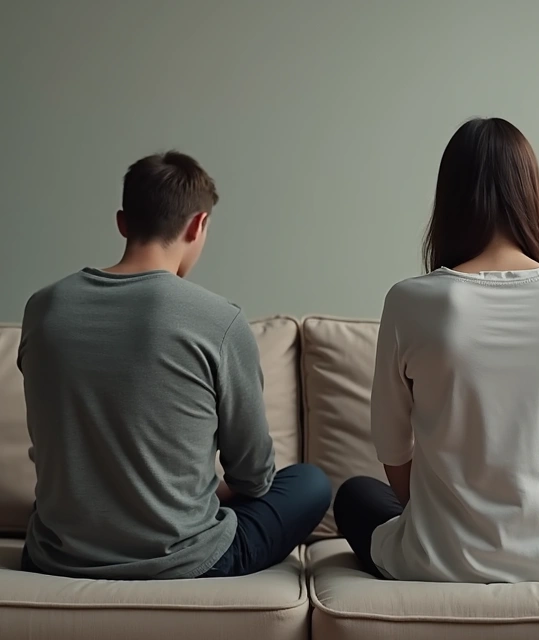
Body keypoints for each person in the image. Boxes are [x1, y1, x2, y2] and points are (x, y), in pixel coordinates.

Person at [18, 151, 331, 580]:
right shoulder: (218, 320)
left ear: (122, 222)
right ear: (198, 224)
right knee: (311, 483)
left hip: (56, 557)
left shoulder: (44, 308)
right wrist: (200, 493)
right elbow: (254, 478)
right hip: (186, 560)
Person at [334, 118, 539, 583]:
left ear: (448, 201)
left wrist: (454, 517)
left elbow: (391, 447)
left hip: (443, 562)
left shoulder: (409, 301)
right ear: (532, 194)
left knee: (354, 496)